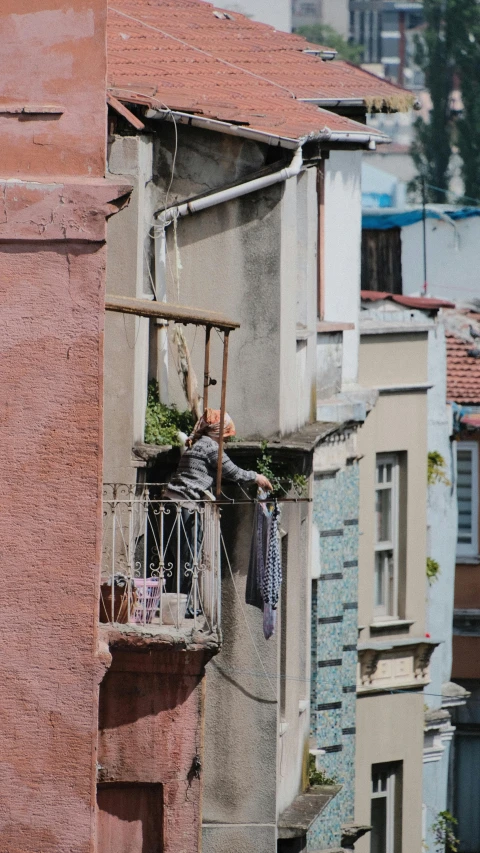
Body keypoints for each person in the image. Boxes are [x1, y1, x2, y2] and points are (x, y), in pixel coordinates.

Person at [161, 409, 272, 610]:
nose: (227, 442)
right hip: (186, 506)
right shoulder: (211, 447)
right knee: (189, 559)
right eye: (226, 436)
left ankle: (177, 606)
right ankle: (181, 608)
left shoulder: (196, 445)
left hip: (171, 503)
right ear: (219, 432)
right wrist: (257, 477)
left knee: (176, 559)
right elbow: (232, 471)